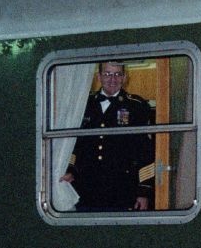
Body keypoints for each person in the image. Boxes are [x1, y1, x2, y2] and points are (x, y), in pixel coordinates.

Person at [59, 61, 155, 211]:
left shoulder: (136, 106)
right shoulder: (84, 104)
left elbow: (145, 151)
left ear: (124, 78)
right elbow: (74, 143)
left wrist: (144, 191)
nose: (112, 79)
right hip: (87, 187)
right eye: (107, 74)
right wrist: (71, 170)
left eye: (117, 74)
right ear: (99, 76)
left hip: (122, 188)